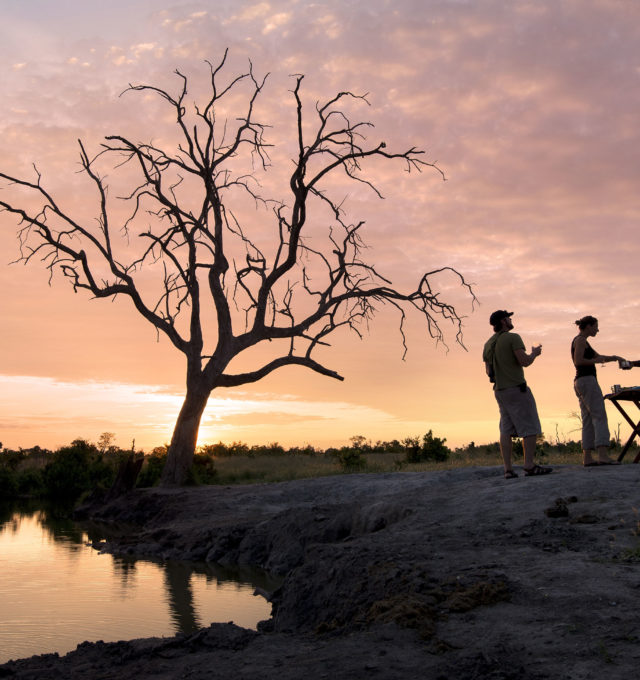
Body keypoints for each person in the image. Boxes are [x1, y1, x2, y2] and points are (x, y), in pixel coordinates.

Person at [483, 310, 552, 479]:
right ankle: (529, 466)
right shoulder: (513, 338)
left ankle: (508, 470)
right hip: (517, 388)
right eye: (508, 317)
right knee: (530, 427)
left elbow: (488, 371)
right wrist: (534, 353)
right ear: (503, 321)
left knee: (505, 430)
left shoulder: (488, 344)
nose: (511, 319)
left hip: (500, 391)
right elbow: (525, 361)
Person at [572, 315, 624, 466]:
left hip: (580, 382)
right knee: (599, 415)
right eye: (595, 326)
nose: (597, 329)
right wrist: (595, 361)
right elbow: (578, 360)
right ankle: (603, 455)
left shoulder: (583, 341)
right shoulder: (581, 340)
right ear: (588, 326)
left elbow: (599, 357)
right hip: (587, 380)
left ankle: (587, 458)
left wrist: (615, 358)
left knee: (587, 419)